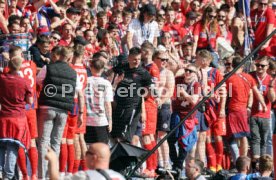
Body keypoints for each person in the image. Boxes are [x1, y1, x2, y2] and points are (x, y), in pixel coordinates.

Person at [36, 46, 82, 179]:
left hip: (47, 107)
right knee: (56, 142)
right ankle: (52, 174)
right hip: (64, 110)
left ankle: (41, 176)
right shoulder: (74, 73)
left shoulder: (48, 68)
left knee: (44, 141)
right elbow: (77, 92)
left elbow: (39, 81)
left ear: (58, 55)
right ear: (68, 58)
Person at [226, 56, 267, 163]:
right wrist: (264, 105)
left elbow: (227, 95)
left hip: (234, 110)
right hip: (242, 110)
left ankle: (241, 162)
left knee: (236, 137)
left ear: (232, 65)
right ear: (243, 66)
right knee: (240, 136)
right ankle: (242, 161)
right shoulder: (248, 77)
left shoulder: (229, 78)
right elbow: (255, 92)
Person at [0, 56, 33, 180]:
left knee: (2, 146)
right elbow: (30, 101)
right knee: (13, 147)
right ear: (20, 67)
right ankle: (8, 176)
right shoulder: (24, 82)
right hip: (18, 119)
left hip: (3, 117)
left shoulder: (2, 79)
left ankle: (0, 171)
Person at [111, 47, 153, 142]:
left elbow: (147, 92)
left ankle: (126, 156)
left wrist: (143, 111)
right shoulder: (122, 67)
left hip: (132, 108)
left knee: (125, 138)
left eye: (139, 59)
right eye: (134, 59)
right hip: (118, 106)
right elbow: (109, 74)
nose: (137, 62)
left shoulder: (143, 73)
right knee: (115, 136)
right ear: (129, 58)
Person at [59, 45, 87, 176]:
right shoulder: (85, 70)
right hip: (81, 104)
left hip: (71, 102)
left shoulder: (70, 68)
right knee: (80, 139)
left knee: (71, 139)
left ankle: (73, 170)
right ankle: (84, 170)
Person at [168, 63, 200, 171]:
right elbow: (171, 73)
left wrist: (184, 93)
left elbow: (194, 100)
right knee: (171, 139)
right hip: (177, 113)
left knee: (184, 142)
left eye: (191, 71)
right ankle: (174, 162)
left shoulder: (196, 85)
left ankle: (179, 165)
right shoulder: (178, 80)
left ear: (195, 74)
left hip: (188, 117)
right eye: (186, 70)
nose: (187, 72)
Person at [249, 56, 275, 171]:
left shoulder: (271, 79)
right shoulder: (251, 76)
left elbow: (273, 99)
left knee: (264, 141)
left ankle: (263, 168)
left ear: (267, 67)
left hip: (265, 114)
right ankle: (255, 168)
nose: (259, 67)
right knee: (255, 139)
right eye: (258, 65)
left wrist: (270, 87)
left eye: (262, 66)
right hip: (253, 113)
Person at [45, 143, 125, 180]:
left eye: (87, 153)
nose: (84, 156)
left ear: (94, 157)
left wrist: (53, 160)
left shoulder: (85, 176)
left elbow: (56, 179)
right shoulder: (120, 177)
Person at [140, 41, 160, 177]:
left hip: (148, 104)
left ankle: (151, 168)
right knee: (149, 137)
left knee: (147, 136)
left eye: (141, 51)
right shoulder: (145, 66)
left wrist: (139, 93)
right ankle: (152, 167)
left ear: (146, 52)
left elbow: (154, 90)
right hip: (147, 104)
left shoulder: (152, 68)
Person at [153, 49, 175, 170]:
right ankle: (159, 161)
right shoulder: (151, 71)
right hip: (152, 106)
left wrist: (160, 101)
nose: (165, 62)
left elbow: (170, 91)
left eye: (166, 59)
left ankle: (167, 162)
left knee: (162, 135)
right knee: (154, 135)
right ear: (155, 59)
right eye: (162, 59)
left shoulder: (168, 73)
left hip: (163, 106)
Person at [84, 58, 113, 144]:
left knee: (87, 148)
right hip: (100, 120)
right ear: (103, 69)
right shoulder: (106, 83)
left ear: (91, 67)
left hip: (86, 119)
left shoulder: (85, 81)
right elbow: (107, 104)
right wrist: (110, 121)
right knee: (102, 149)